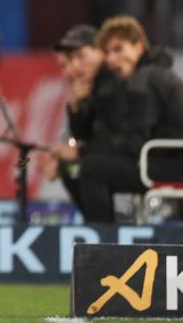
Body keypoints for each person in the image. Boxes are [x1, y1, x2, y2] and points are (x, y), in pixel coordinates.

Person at [73, 16, 183, 221]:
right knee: (90, 164)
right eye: (107, 52)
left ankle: (102, 238)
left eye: (118, 49)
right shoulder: (150, 75)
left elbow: (134, 142)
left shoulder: (144, 79)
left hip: (172, 164)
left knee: (91, 169)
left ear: (139, 47)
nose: (111, 59)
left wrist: (82, 152)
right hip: (163, 159)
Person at [40, 25, 106, 208]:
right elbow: (72, 138)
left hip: (123, 176)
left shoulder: (109, 88)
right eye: (65, 64)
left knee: (75, 167)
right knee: (70, 168)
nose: (70, 70)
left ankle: (106, 220)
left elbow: (105, 140)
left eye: (79, 57)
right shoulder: (77, 96)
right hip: (99, 168)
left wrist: (72, 153)